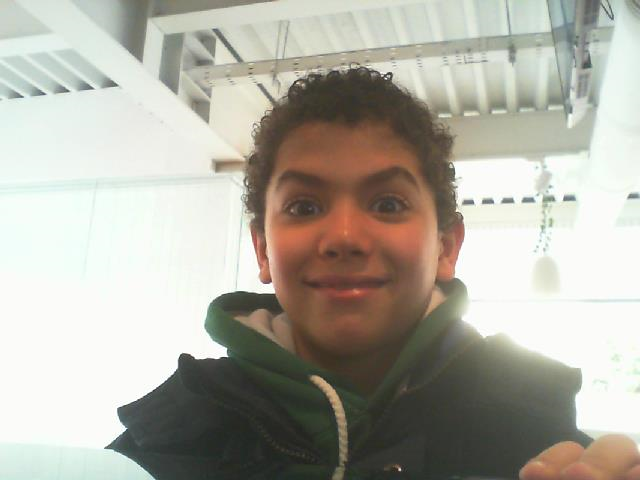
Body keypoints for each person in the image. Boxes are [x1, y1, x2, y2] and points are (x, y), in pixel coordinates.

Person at [107, 68, 640, 480]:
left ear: (446, 247)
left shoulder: (531, 424)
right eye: (304, 207)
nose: (344, 237)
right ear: (263, 250)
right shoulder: (168, 439)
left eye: (387, 204)